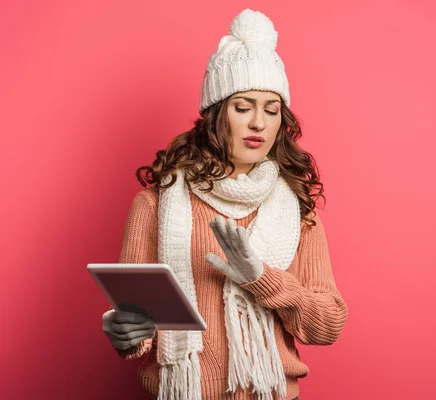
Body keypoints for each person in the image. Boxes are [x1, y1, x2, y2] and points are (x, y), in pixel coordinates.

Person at [101, 8, 348, 400]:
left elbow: (328, 324)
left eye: (271, 110)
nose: (258, 124)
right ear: (216, 114)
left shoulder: (296, 209)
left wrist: (261, 278)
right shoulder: (156, 204)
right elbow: (137, 326)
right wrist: (125, 331)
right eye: (243, 106)